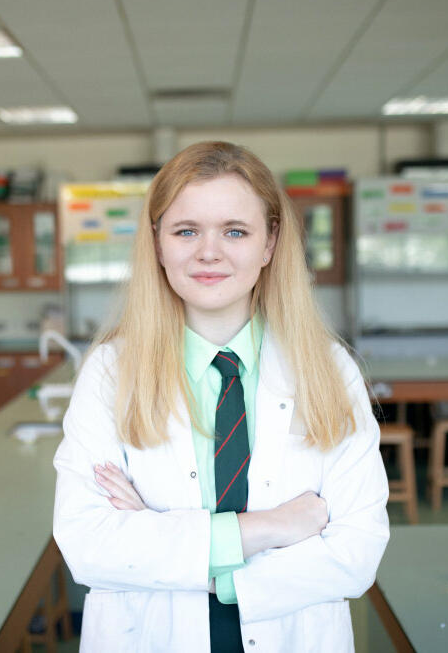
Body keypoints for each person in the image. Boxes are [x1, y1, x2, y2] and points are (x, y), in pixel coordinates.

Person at [53, 141, 389, 652]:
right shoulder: (109, 374)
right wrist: (271, 528)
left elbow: (357, 553)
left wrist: (182, 555)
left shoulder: (329, 371)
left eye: (235, 231)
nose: (209, 251)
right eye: (186, 231)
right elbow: (88, 543)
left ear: (270, 243)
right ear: (158, 242)